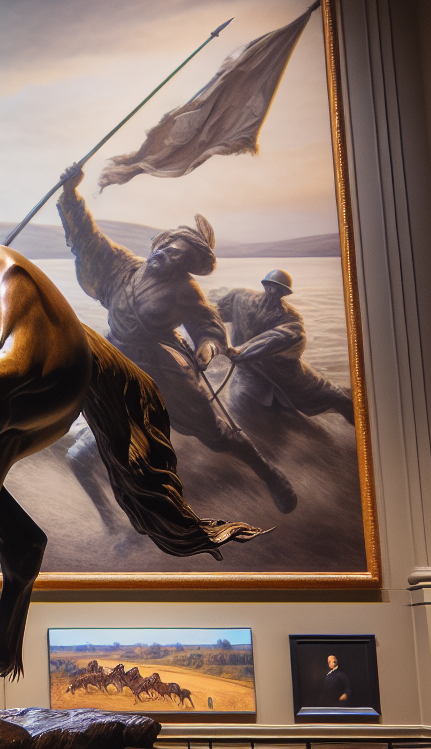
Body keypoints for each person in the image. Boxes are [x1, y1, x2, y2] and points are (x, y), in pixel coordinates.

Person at [57, 167, 297, 512]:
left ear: (185, 264)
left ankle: (268, 472)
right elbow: (90, 240)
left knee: (214, 433)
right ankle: (116, 510)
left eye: (178, 253)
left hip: (161, 366)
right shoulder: (126, 266)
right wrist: (71, 194)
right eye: (168, 245)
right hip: (115, 355)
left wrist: (207, 347)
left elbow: (209, 326)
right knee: (79, 407)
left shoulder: (185, 289)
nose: (167, 252)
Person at [216, 269, 356, 424]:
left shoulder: (291, 317)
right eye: (271, 286)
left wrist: (240, 351)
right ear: (265, 285)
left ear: (285, 293)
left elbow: (275, 339)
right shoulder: (240, 298)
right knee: (239, 403)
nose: (274, 291)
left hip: (285, 372)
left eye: (280, 289)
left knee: (335, 397)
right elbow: (213, 315)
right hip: (249, 371)